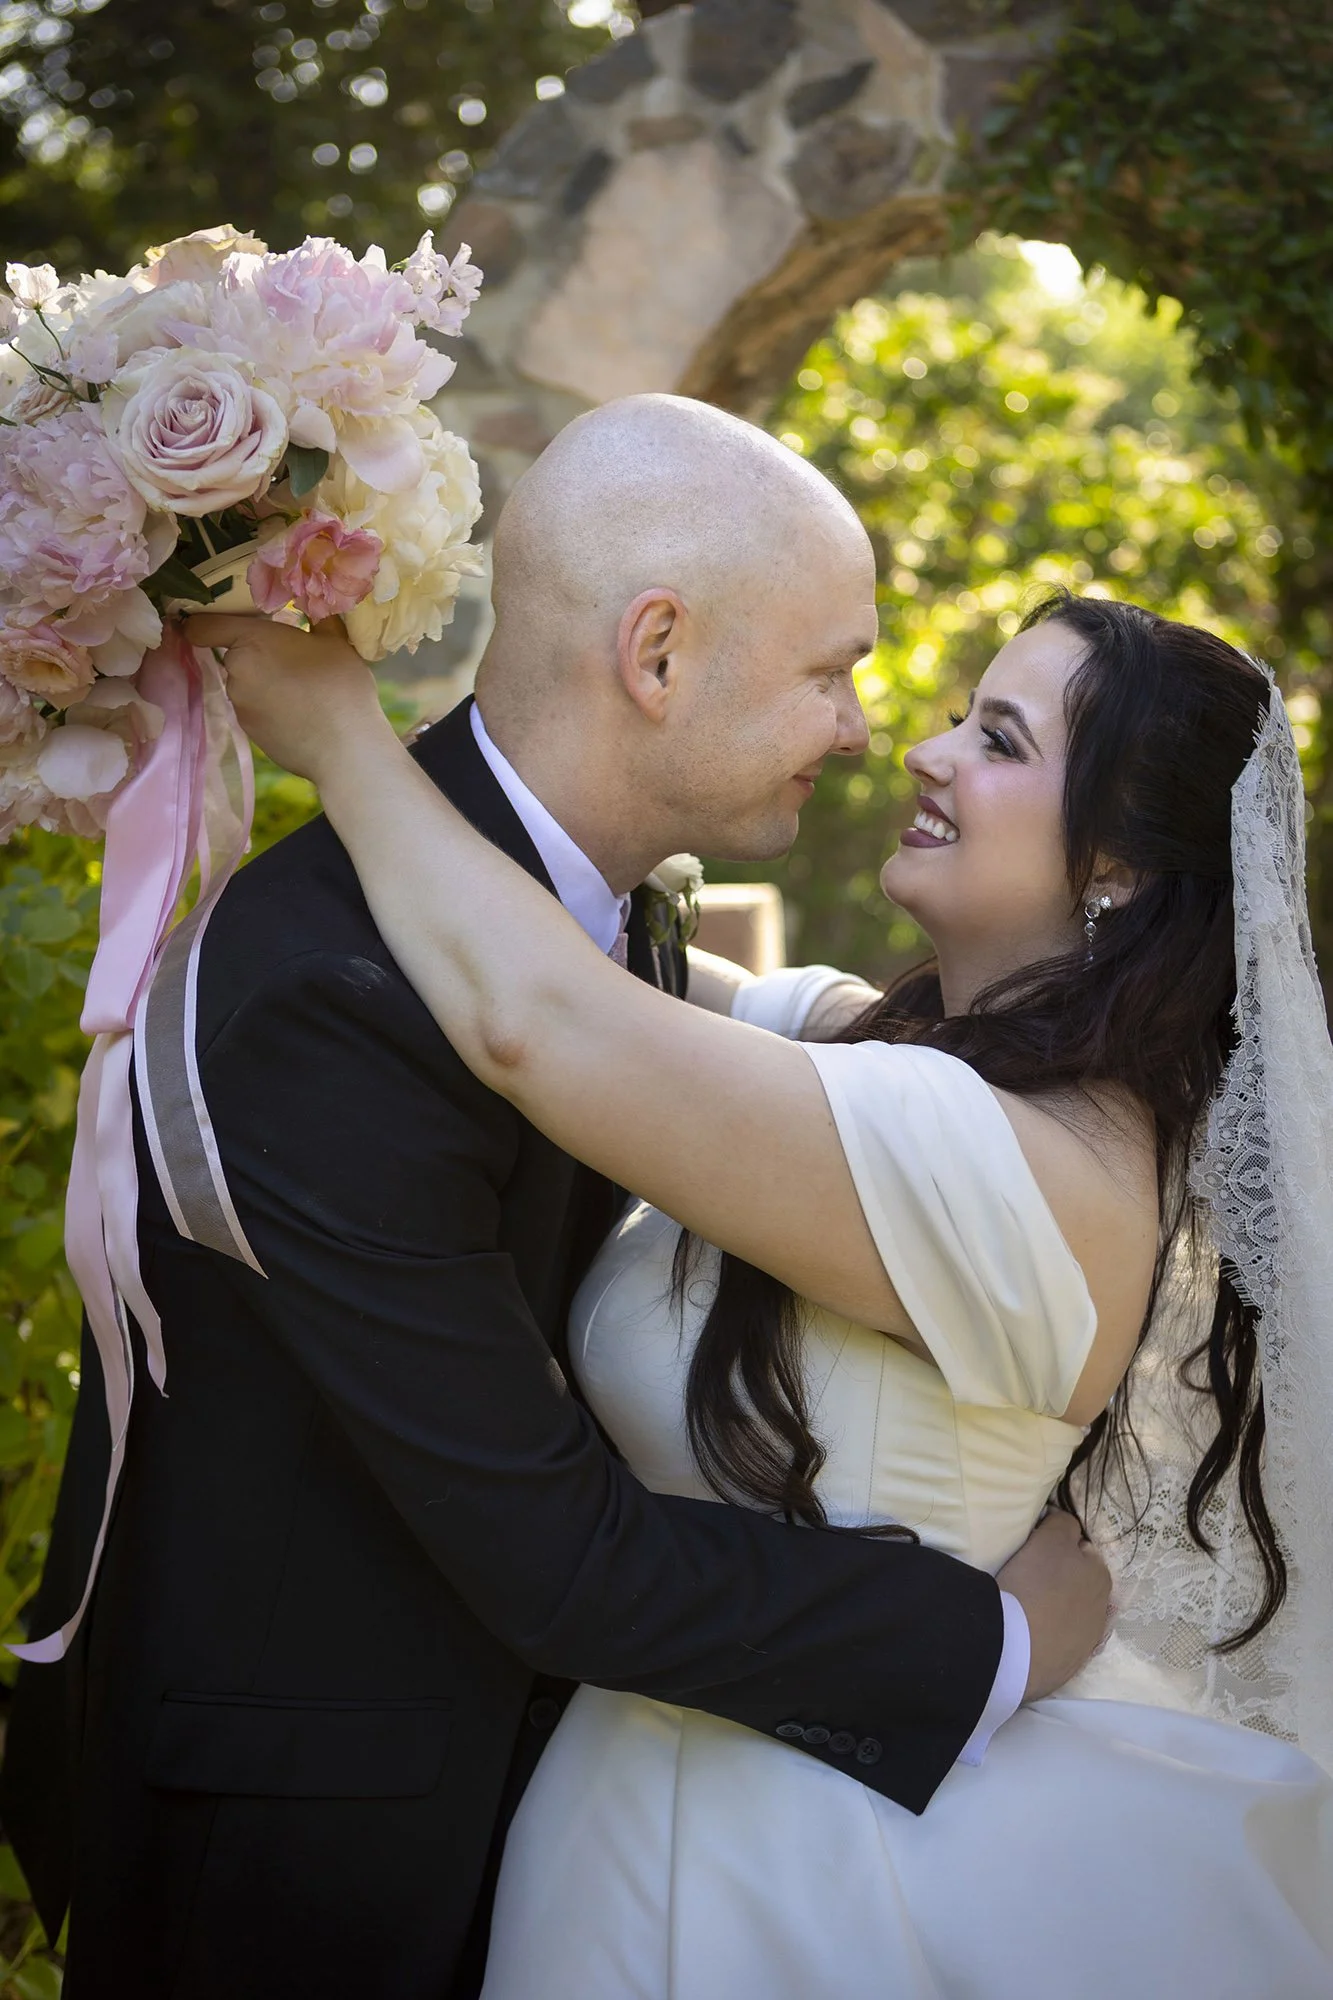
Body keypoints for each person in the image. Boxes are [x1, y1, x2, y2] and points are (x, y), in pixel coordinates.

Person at [0, 397, 1110, 2000]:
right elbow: (555, 1556)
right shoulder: (335, 994)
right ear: (657, 655)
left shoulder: (609, 928)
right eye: (833, 669)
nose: (867, 728)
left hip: (532, 1824)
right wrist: (989, 1640)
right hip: (310, 1866)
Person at [209, 562, 1333, 1997]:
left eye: (1001, 742)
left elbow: (539, 1019)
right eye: (955, 714)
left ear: (1115, 868)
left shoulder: (1016, 1174)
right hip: (646, 1795)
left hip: (802, 1856)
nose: (922, 750)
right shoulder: (871, 1059)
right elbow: (572, 942)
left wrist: (339, 735)